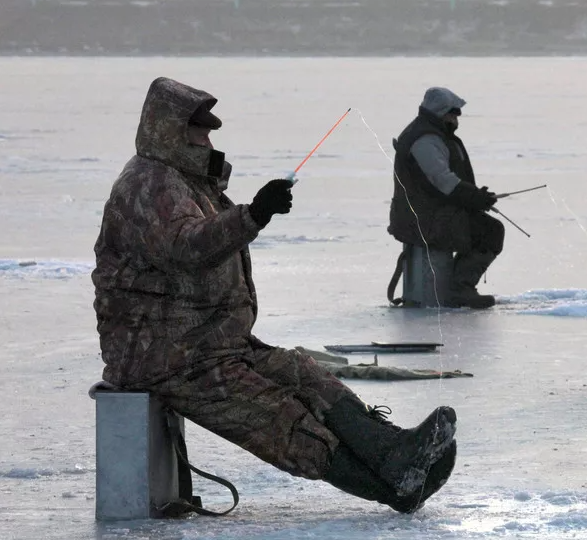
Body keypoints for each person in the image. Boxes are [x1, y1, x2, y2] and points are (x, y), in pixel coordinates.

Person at [92, 77, 457, 513]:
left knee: (304, 375)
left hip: (209, 344)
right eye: (200, 131)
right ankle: (392, 486)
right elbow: (187, 246)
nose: (207, 140)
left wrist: (250, 213)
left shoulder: (186, 181)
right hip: (165, 358)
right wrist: (254, 213)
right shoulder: (148, 185)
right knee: (276, 417)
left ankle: (394, 454)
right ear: (170, 130)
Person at [389, 87, 505, 309]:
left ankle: (459, 287)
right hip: (424, 218)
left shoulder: (431, 133)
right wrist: (475, 197)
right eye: (453, 113)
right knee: (490, 231)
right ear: (442, 113)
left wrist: (476, 197)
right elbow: (442, 181)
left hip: (425, 213)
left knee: (483, 227)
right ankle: (460, 289)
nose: (456, 118)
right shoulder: (426, 139)